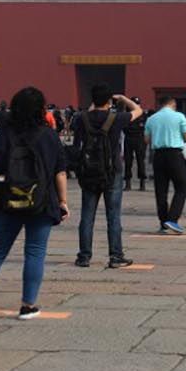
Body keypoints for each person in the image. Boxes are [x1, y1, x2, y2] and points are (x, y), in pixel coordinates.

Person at [0, 86, 69, 321]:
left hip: (6, 201)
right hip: (40, 201)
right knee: (35, 252)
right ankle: (27, 305)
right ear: (41, 109)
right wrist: (63, 201)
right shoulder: (49, 135)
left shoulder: (1, 134)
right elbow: (59, 173)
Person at [71, 88, 142, 268]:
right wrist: (124, 98)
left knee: (87, 215)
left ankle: (84, 256)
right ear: (109, 102)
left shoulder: (81, 118)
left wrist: (94, 105)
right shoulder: (116, 118)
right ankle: (116, 256)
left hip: (88, 171)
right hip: (112, 172)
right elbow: (138, 110)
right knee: (113, 215)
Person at [145, 95, 186, 233]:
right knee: (181, 187)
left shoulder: (151, 119)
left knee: (161, 191)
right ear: (173, 104)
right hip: (175, 154)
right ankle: (172, 219)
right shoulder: (179, 117)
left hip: (158, 156)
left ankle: (163, 222)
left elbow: (147, 139)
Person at [123, 97, 148, 191]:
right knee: (128, 161)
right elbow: (125, 128)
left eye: (138, 103)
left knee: (141, 161)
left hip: (139, 139)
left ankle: (142, 183)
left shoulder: (143, 115)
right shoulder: (127, 115)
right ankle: (127, 183)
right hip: (129, 138)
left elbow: (144, 127)